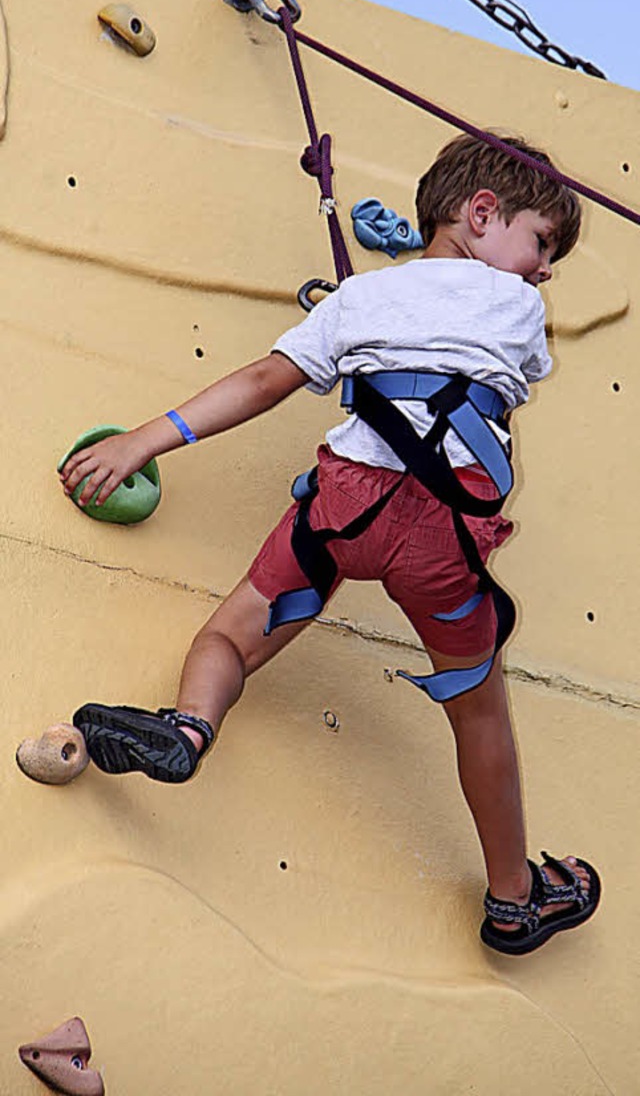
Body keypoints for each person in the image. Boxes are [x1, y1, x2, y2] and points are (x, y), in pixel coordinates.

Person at [59, 132, 600, 956]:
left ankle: (190, 726)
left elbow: (261, 383)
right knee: (481, 714)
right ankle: (515, 899)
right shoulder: (522, 309)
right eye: (541, 244)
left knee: (229, 633)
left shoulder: (354, 302)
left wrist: (143, 440)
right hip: (442, 534)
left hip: (342, 507)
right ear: (482, 214)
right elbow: (500, 367)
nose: (544, 270)